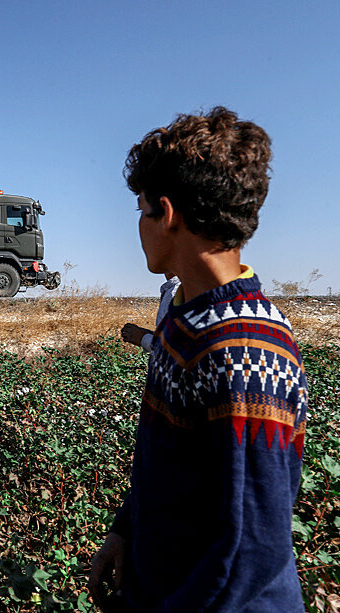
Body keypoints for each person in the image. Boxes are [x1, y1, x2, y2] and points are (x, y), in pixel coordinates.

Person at [89, 107, 308, 612]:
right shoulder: (188, 322)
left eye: (140, 209)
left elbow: (248, 555)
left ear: (166, 215)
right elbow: (175, 471)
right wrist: (127, 530)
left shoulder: (243, 352)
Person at [121, 274, 181, 352]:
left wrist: (143, 338)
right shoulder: (175, 290)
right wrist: (151, 335)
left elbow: (178, 349)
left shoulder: (176, 292)